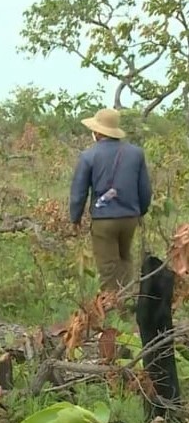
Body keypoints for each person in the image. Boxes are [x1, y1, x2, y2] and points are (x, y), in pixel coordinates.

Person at [70, 107, 152, 293]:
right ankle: (128, 303)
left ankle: (115, 312)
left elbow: (79, 192)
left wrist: (75, 218)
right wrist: (140, 212)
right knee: (125, 261)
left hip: (104, 220)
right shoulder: (135, 153)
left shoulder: (88, 156)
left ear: (98, 132)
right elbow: (145, 190)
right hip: (130, 218)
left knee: (108, 268)